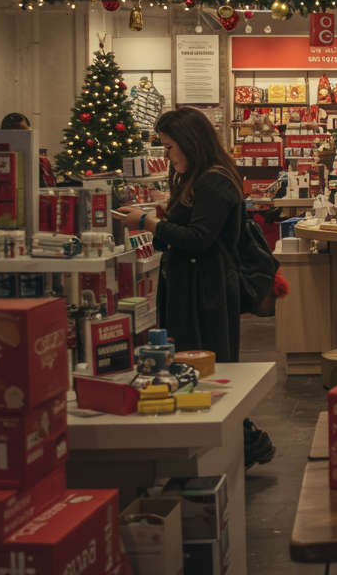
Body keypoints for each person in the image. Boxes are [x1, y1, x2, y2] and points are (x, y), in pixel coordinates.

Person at [114, 107, 276, 468]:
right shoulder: (198, 178)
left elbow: (201, 238)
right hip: (193, 285)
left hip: (207, 289)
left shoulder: (213, 181)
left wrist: (149, 223)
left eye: (170, 147)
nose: (168, 156)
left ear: (190, 143)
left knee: (208, 363)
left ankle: (243, 442)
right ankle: (227, 443)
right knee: (195, 361)